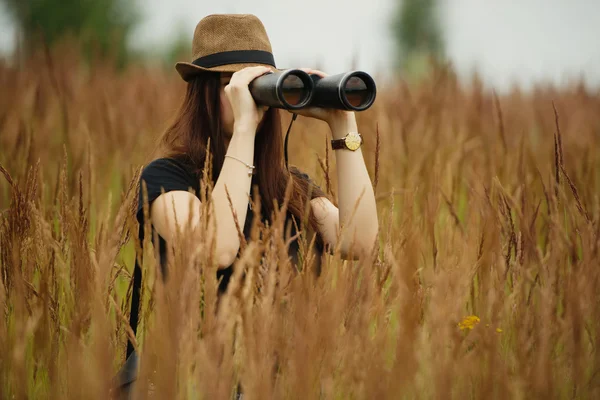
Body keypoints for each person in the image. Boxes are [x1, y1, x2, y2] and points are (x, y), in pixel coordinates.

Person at [116, 13, 379, 396]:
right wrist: (243, 128)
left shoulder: (289, 188)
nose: (248, 98)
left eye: (259, 86)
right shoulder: (165, 180)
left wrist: (344, 125)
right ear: (204, 92)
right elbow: (218, 248)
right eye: (232, 85)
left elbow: (360, 241)